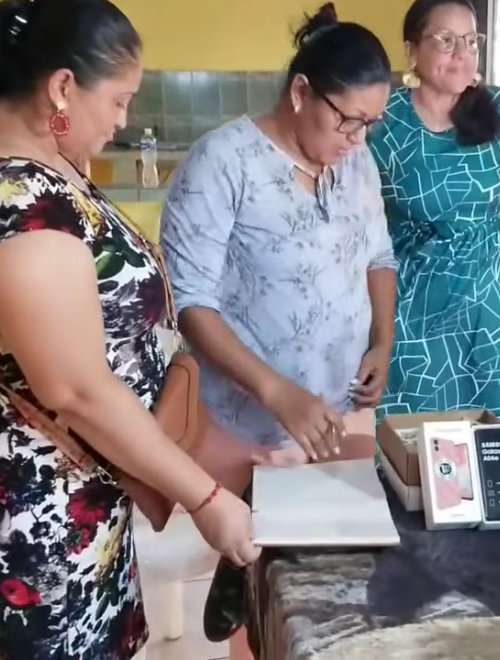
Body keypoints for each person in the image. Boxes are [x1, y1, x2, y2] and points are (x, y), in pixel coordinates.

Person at [0, 1, 259, 657]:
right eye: (120, 100)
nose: (123, 120)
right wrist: (206, 498)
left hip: (81, 481)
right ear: (63, 87)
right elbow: (74, 389)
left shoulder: (27, 163)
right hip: (51, 499)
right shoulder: (11, 196)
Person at [160, 3, 397, 467]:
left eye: (371, 123)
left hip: (338, 416)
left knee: (343, 515)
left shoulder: (357, 163)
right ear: (300, 92)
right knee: (245, 517)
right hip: (241, 426)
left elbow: (379, 256)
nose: (358, 138)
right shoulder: (224, 162)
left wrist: (382, 342)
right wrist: (276, 392)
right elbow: (188, 300)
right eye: (349, 119)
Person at [367, 0, 500, 455]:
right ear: (411, 49)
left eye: (471, 41)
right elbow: (356, 218)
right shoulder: (383, 123)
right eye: (446, 40)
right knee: (416, 440)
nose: (462, 53)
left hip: (493, 296)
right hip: (414, 299)